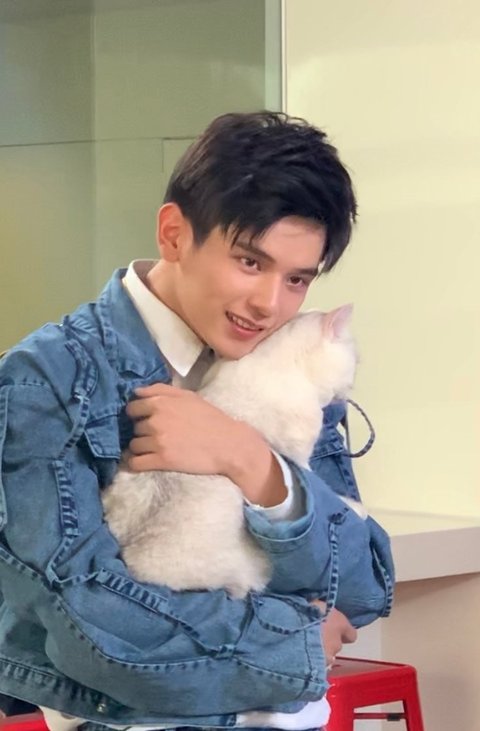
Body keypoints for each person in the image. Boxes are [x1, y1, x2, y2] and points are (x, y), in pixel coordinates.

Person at [0, 111, 394, 731]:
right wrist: (295, 643)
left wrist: (253, 463)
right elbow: (89, 628)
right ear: (174, 234)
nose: (269, 304)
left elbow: (363, 588)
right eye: (249, 262)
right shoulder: (46, 379)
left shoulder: (290, 362)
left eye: (297, 279)